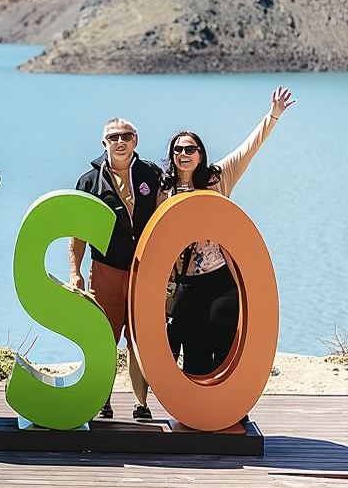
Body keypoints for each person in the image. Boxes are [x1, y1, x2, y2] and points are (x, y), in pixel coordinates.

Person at [162, 87, 294, 376]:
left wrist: (273, 115)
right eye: (178, 150)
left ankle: (228, 401)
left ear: (200, 154)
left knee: (224, 348)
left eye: (190, 149)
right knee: (195, 358)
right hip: (186, 285)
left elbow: (249, 148)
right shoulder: (164, 191)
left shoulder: (217, 179)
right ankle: (197, 404)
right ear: (172, 155)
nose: (183, 154)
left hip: (220, 280)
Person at [71, 117, 162, 421]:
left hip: (144, 272)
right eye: (113, 137)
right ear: (104, 142)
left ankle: (142, 404)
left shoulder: (152, 174)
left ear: (135, 140)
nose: (120, 142)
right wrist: (75, 271)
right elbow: (77, 232)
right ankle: (102, 400)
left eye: (126, 136)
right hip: (105, 269)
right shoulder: (89, 182)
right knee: (104, 338)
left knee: (139, 340)